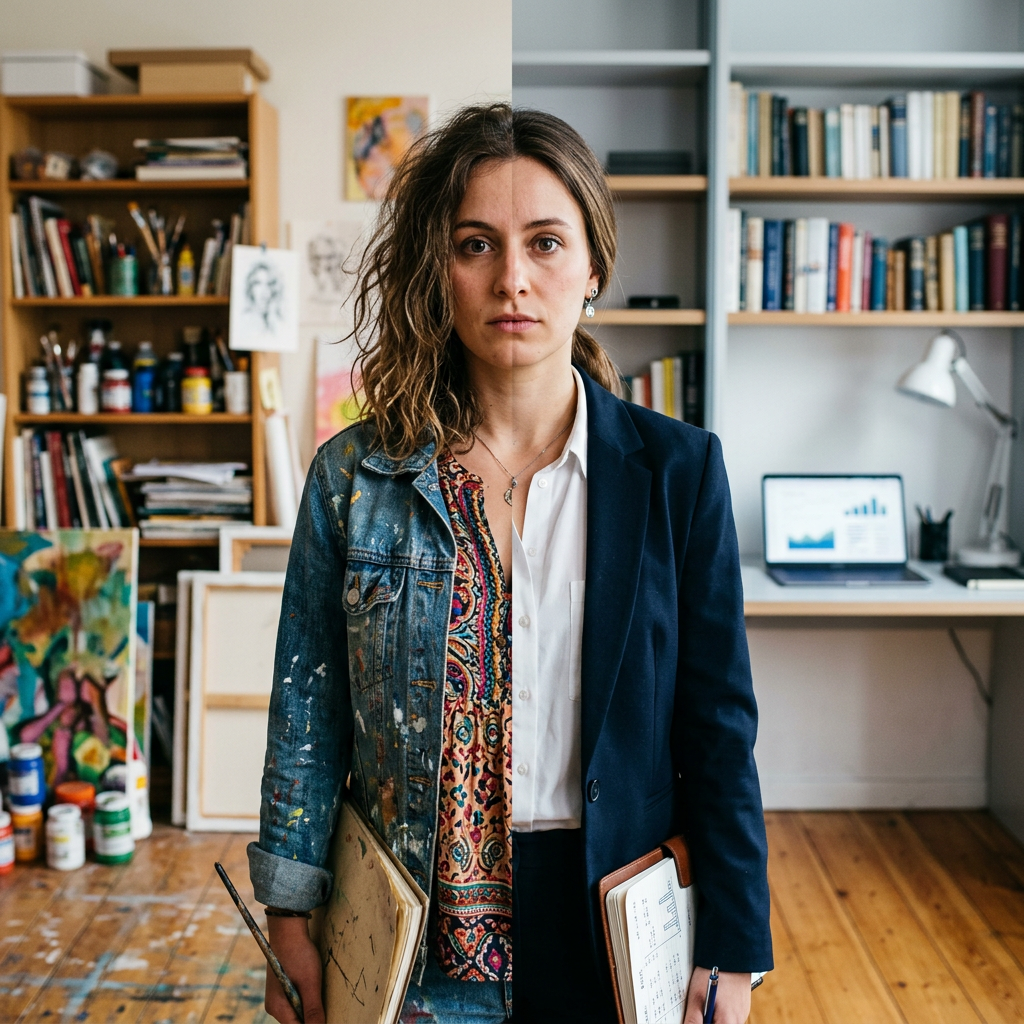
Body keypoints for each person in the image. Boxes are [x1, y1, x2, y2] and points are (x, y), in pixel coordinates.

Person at [248, 101, 772, 1024]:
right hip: (410, 928)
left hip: (615, 915)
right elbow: (307, 715)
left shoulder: (681, 473)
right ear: (439, 271)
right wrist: (289, 916)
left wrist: (735, 941)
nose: (513, 281)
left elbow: (719, 726)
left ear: (594, 268)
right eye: (476, 245)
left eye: (545, 243)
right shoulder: (354, 476)